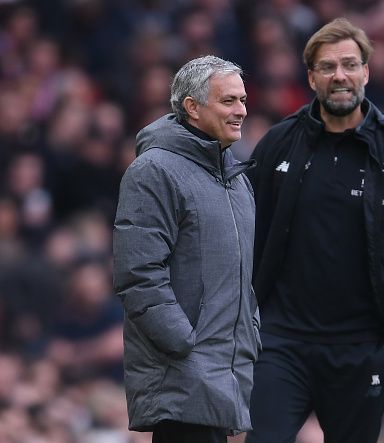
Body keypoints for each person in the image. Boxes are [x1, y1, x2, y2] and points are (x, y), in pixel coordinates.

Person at [245, 18, 384, 443]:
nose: (339, 75)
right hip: (280, 344)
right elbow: (239, 232)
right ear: (311, 77)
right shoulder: (279, 144)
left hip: (362, 351)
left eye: (349, 64)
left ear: (366, 72)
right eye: (327, 66)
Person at [113, 55, 261, 443]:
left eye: (243, 100)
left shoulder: (237, 178)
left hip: (226, 373)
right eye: (228, 101)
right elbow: (139, 274)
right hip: (184, 375)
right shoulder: (153, 171)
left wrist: (249, 333)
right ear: (192, 108)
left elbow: (241, 277)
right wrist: (185, 344)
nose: (241, 111)